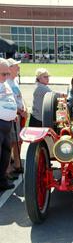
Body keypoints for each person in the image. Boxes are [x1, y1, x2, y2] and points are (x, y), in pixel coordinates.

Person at [6, 58, 27, 176]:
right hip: (12, 116)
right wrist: (20, 111)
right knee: (10, 143)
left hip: (18, 116)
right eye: (16, 66)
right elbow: (10, 102)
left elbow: (19, 98)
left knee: (17, 142)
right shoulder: (6, 83)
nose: (18, 68)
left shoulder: (15, 81)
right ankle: (8, 169)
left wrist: (24, 108)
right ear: (9, 68)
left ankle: (17, 165)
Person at [0, 58, 17, 190]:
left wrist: (13, 112)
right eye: (3, 74)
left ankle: (2, 181)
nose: (6, 77)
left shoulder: (4, 84)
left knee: (5, 155)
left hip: (8, 124)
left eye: (7, 74)